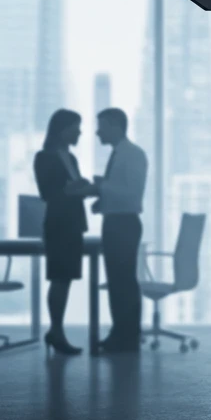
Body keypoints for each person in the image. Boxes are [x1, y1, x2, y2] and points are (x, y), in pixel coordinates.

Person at [33, 110, 96, 355]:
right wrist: (73, 190)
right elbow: (47, 194)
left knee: (65, 279)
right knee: (59, 278)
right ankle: (56, 331)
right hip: (58, 225)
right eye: (75, 127)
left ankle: (55, 331)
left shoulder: (71, 158)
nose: (79, 132)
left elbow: (71, 190)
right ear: (62, 129)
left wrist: (86, 189)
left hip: (73, 225)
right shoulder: (44, 157)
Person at [92, 108, 148, 354]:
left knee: (123, 281)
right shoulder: (119, 154)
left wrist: (101, 186)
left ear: (115, 125)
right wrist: (100, 199)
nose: (97, 131)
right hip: (114, 222)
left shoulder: (133, 154)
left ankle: (127, 336)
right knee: (117, 282)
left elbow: (133, 194)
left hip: (124, 224)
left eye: (101, 125)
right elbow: (120, 191)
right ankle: (121, 333)